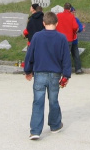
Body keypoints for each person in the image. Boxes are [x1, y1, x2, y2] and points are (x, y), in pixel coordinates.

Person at [24, 11, 71, 140]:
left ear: (43, 23)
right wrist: (66, 75)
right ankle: (55, 125)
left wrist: (28, 71)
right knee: (54, 100)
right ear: (57, 23)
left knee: (38, 101)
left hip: (39, 73)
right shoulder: (62, 38)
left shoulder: (37, 37)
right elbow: (66, 59)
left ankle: (35, 131)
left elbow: (30, 55)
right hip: (55, 74)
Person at [56, 2, 82, 74]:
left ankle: (59, 69)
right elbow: (75, 27)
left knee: (60, 54)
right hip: (69, 38)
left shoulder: (58, 15)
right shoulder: (71, 16)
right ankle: (67, 70)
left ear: (63, 8)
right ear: (70, 9)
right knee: (67, 55)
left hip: (59, 38)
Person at [70, 6, 85, 74]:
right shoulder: (73, 19)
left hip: (73, 40)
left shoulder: (76, 19)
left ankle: (78, 68)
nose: (74, 13)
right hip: (69, 39)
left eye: (75, 12)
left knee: (76, 54)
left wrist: (79, 29)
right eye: (73, 12)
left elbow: (80, 27)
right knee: (68, 55)